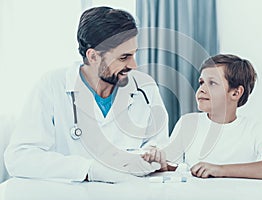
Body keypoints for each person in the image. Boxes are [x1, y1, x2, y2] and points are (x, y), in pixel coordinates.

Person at [4, 6, 169, 182]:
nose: (133, 65)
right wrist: (89, 170)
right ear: (93, 56)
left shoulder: (144, 87)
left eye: (134, 54)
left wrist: (153, 153)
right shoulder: (52, 85)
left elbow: (160, 145)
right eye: (123, 57)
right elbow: (19, 158)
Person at [142, 54, 262, 179]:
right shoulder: (188, 123)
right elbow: (172, 167)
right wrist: (159, 163)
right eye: (201, 82)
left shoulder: (253, 129)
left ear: (235, 93)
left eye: (212, 83)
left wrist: (220, 170)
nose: (201, 89)